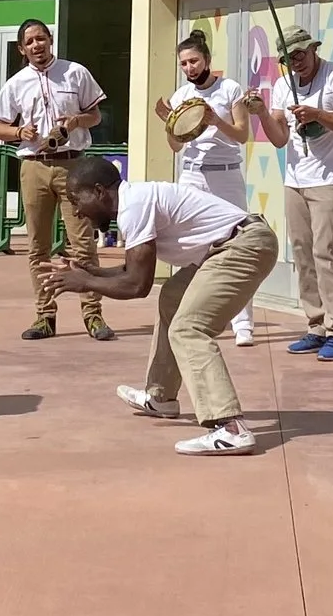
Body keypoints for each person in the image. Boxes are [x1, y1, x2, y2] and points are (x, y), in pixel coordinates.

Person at [50, 156, 279, 457]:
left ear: (99, 191)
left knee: (189, 328)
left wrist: (85, 283)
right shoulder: (136, 199)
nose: (77, 210)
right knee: (172, 297)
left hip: (243, 246)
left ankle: (230, 427)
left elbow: (136, 286)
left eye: (76, 199)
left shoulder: (133, 206)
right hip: (232, 245)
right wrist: (89, 272)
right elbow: (134, 272)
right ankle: (161, 397)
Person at [245, 27, 333, 362]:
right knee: (302, 252)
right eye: (287, 58)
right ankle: (315, 325)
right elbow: (279, 138)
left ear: (313, 49)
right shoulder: (284, 85)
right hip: (295, 179)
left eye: (300, 54)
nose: (295, 62)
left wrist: (319, 115)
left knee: (328, 251)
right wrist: (259, 113)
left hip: (330, 178)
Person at [0, 19, 112, 342]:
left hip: (74, 166)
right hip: (34, 167)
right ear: (22, 49)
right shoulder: (16, 84)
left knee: (82, 244)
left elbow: (95, 115)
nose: (36, 45)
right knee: (37, 247)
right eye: (29, 42)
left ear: (50, 40)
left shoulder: (75, 72)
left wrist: (76, 121)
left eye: (41, 38)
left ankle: (93, 314)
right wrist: (18, 132)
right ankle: (45, 316)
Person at [157, 30, 257, 347]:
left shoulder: (230, 89)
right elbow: (175, 146)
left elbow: (242, 135)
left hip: (225, 174)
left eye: (194, 61)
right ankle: (192, 318)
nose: (189, 68)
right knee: (189, 245)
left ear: (207, 60)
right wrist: (170, 122)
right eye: (184, 63)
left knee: (238, 243)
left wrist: (216, 120)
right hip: (192, 174)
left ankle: (244, 324)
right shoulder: (180, 95)